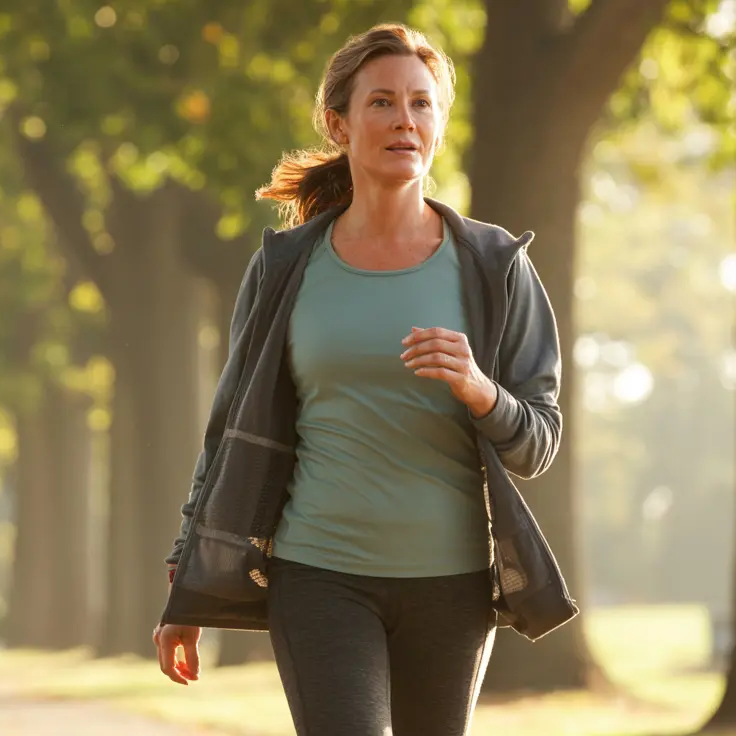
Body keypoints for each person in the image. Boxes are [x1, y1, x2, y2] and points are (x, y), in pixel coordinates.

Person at [153, 22, 575, 736]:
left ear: (438, 124)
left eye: (421, 103)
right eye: (382, 102)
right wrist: (187, 576)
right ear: (338, 123)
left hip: (452, 582)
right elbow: (229, 432)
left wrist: (480, 390)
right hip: (317, 574)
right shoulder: (286, 266)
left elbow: (538, 443)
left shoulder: (494, 265)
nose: (404, 120)